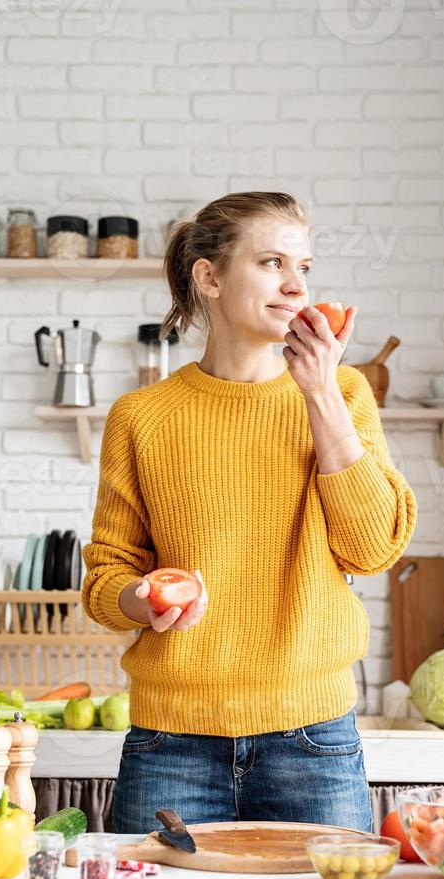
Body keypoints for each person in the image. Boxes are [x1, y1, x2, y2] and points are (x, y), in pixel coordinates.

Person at [82, 191, 417, 835]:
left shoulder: (343, 392)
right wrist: (143, 598)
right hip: (171, 746)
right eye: (271, 263)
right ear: (208, 277)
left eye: (305, 268)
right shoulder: (142, 417)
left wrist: (318, 390)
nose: (296, 286)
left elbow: (372, 548)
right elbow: (105, 581)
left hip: (314, 745)